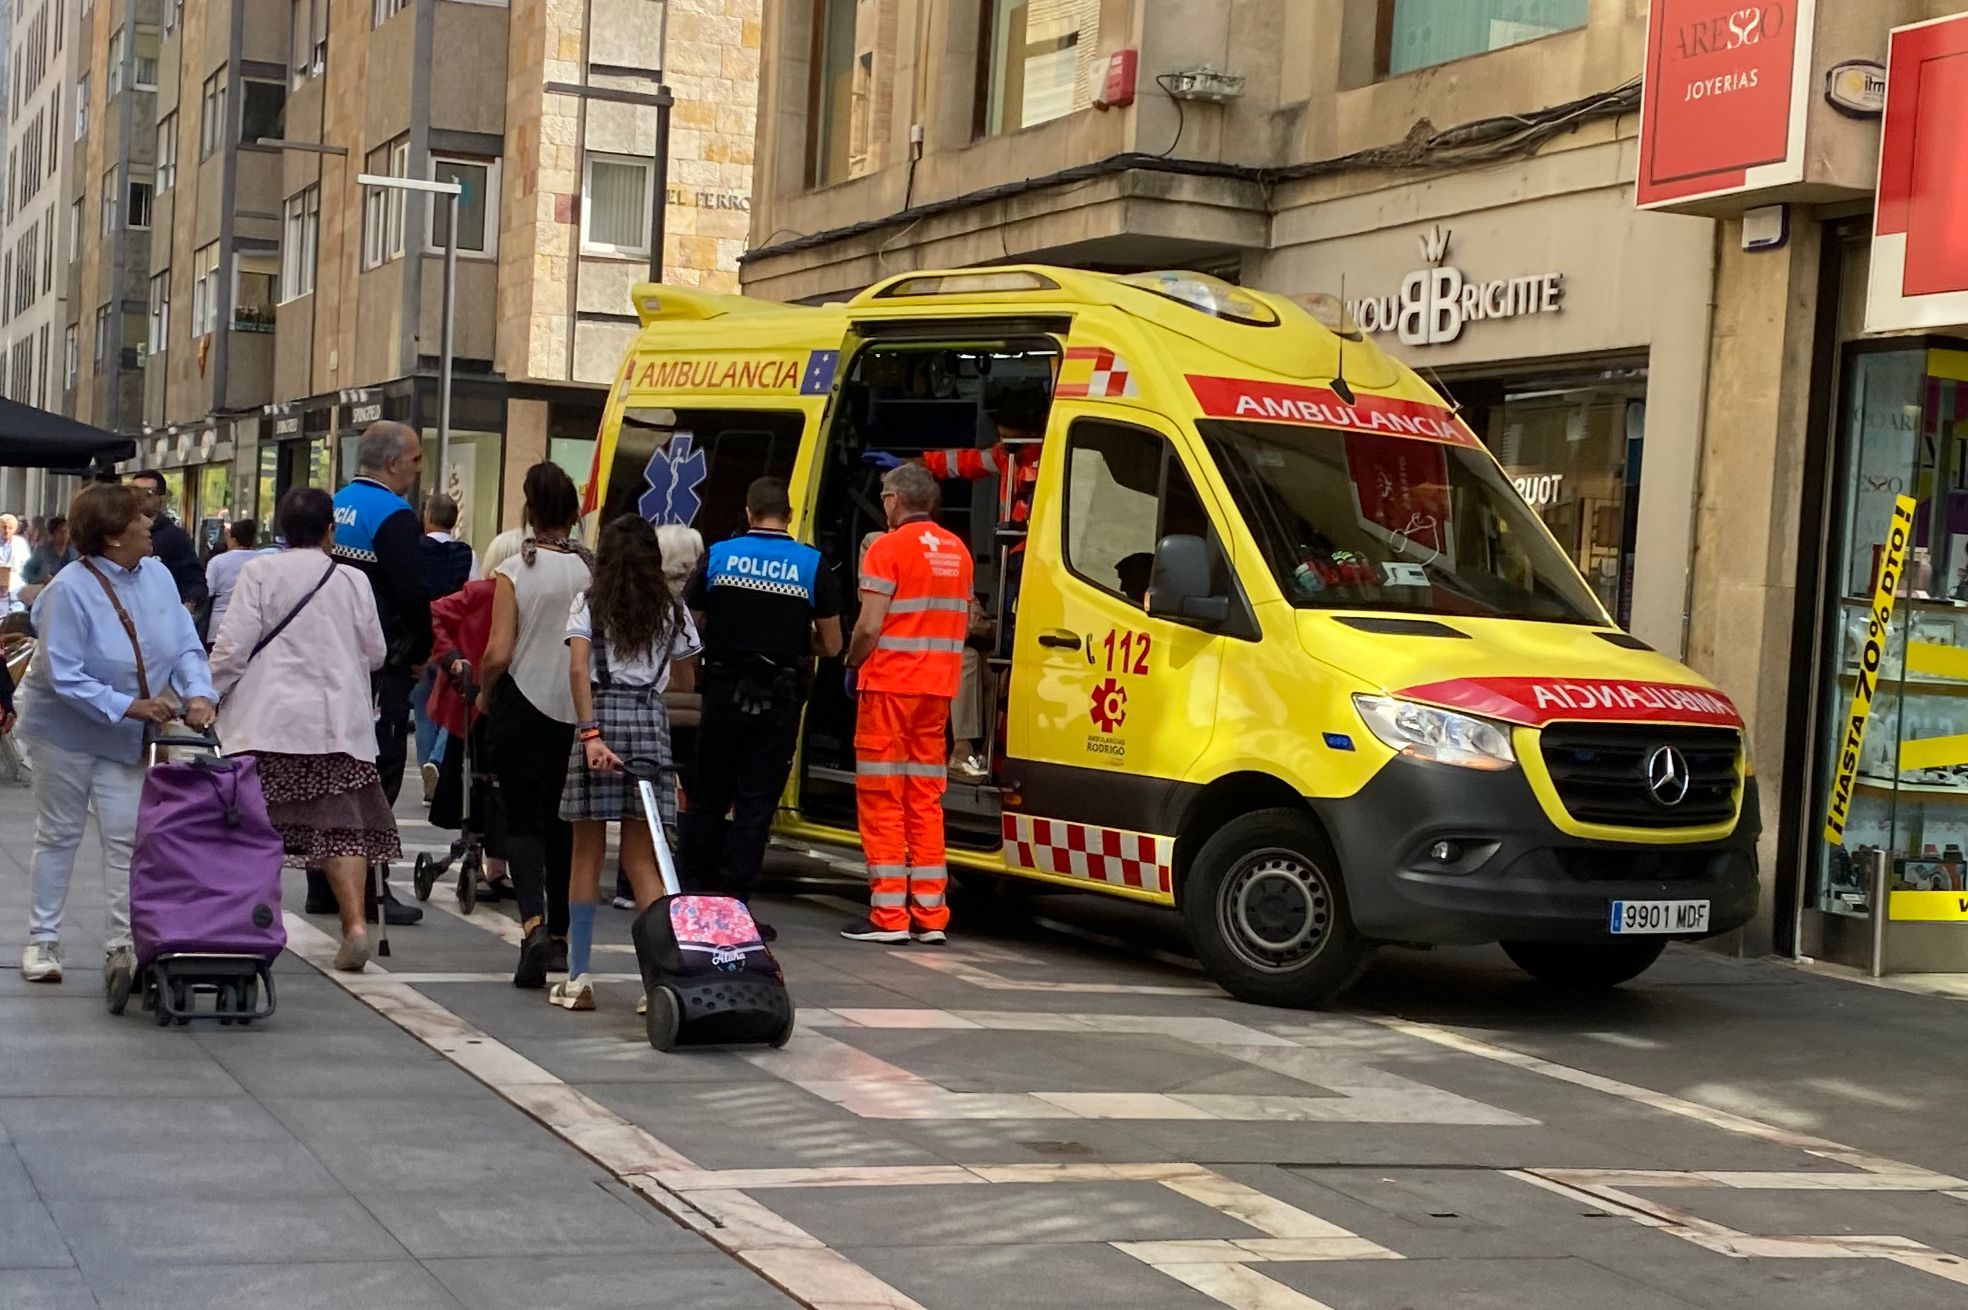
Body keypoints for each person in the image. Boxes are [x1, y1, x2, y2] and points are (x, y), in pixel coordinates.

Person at [14, 483, 217, 998]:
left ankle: (122, 942)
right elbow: (64, 673)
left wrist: (198, 693)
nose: (152, 525)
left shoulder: (159, 576)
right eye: (140, 520)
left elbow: (186, 644)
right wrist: (130, 705)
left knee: (127, 835)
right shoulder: (69, 590)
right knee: (59, 831)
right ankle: (43, 939)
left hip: (128, 729)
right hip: (64, 729)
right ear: (111, 535)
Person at [209, 489, 395, 972]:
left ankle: (256, 922)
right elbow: (376, 653)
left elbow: (233, 648)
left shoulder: (259, 572)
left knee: (255, 828)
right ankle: (354, 925)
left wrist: (205, 694)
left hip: (266, 724)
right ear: (330, 530)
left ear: (282, 532)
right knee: (342, 830)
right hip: (338, 729)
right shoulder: (354, 579)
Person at [679, 478, 841, 930]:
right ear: (787, 516)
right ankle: (735, 904)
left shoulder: (719, 556)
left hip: (723, 692)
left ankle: (695, 893)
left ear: (748, 512)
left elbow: (689, 626)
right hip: (778, 697)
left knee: (709, 794)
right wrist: (792, 640)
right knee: (755, 803)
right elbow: (831, 644)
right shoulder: (812, 565)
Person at [554, 514, 701, 1010]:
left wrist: (590, 731)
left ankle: (578, 977)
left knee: (586, 854)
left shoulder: (588, 604)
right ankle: (658, 980)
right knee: (644, 859)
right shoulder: (673, 611)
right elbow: (685, 681)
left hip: (600, 716)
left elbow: (578, 668)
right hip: (649, 723)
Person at [840, 463, 972, 946]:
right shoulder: (957, 551)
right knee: (925, 798)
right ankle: (931, 915)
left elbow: (869, 626)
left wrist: (852, 663)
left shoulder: (885, 548)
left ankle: (889, 916)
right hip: (937, 692)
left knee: (882, 796)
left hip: (891, 687)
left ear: (894, 500)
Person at [479, 462, 590, 988]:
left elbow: (499, 650)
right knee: (564, 825)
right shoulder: (592, 572)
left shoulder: (514, 572)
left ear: (529, 512)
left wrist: (484, 690)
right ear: (573, 514)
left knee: (523, 822)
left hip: (523, 705)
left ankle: (533, 926)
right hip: (578, 709)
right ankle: (565, 934)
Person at [320, 421, 431, 927]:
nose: (418, 467)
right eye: (414, 459)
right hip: (379, 663)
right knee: (377, 773)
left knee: (331, 770)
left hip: (331, 657)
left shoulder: (336, 505)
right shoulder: (394, 515)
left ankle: (323, 882)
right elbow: (413, 594)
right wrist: (423, 649)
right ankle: (368, 889)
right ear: (392, 464)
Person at [425, 526, 527, 903]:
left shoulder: (490, 594)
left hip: (479, 700)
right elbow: (433, 614)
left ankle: (493, 865)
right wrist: (452, 658)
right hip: (482, 698)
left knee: (483, 780)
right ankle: (494, 865)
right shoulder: (484, 594)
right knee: (494, 781)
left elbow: (433, 615)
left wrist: (449, 655)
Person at [612, 522, 705, 910]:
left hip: (620, 713)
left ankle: (624, 885)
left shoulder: (618, 599)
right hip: (675, 718)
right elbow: (687, 674)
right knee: (669, 800)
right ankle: (668, 879)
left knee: (626, 806)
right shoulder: (682, 606)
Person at [415, 492, 478, 802]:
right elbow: (473, 596)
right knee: (449, 706)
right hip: (453, 642)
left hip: (421, 638)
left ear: (427, 517)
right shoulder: (466, 553)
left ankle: (428, 763)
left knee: (423, 706)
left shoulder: (414, 550)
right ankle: (437, 761)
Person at [127, 472, 211, 611]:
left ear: (161, 497)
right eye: (133, 492)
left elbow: (194, 582)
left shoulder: (175, 537)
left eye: (147, 493)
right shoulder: (119, 531)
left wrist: (185, 609)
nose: (138, 498)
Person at [201, 519, 268, 645]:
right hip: (253, 626)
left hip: (220, 625)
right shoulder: (264, 561)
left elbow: (207, 591)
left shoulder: (217, 562)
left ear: (234, 539)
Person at [22, 515, 78, 589]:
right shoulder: (42, 552)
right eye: (60, 532)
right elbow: (26, 573)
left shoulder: (74, 554)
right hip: (45, 592)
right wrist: (41, 579)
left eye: (66, 531)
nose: (64, 535)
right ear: (52, 534)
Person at [1, 513, 31, 614]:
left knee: (17, 623)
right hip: (1, 593)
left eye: (10, 527)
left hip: (17, 590)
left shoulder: (20, 543)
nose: (6, 530)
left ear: (15, 529)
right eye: (3, 527)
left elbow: (27, 566)